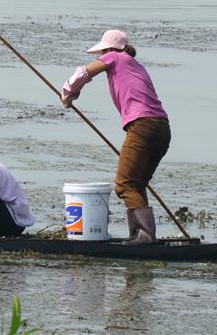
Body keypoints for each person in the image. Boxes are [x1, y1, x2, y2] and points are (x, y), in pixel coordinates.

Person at [60, 29, 170, 244]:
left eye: (102, 51)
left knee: (124, 184)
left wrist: (68, 92)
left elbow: (84, 72)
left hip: (143, 125)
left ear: (110, 48)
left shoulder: (115, 56)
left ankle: (145, 237)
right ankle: (140, 236)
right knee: (136, 183)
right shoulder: (135, 64)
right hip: (162, 128)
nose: (100, 56)